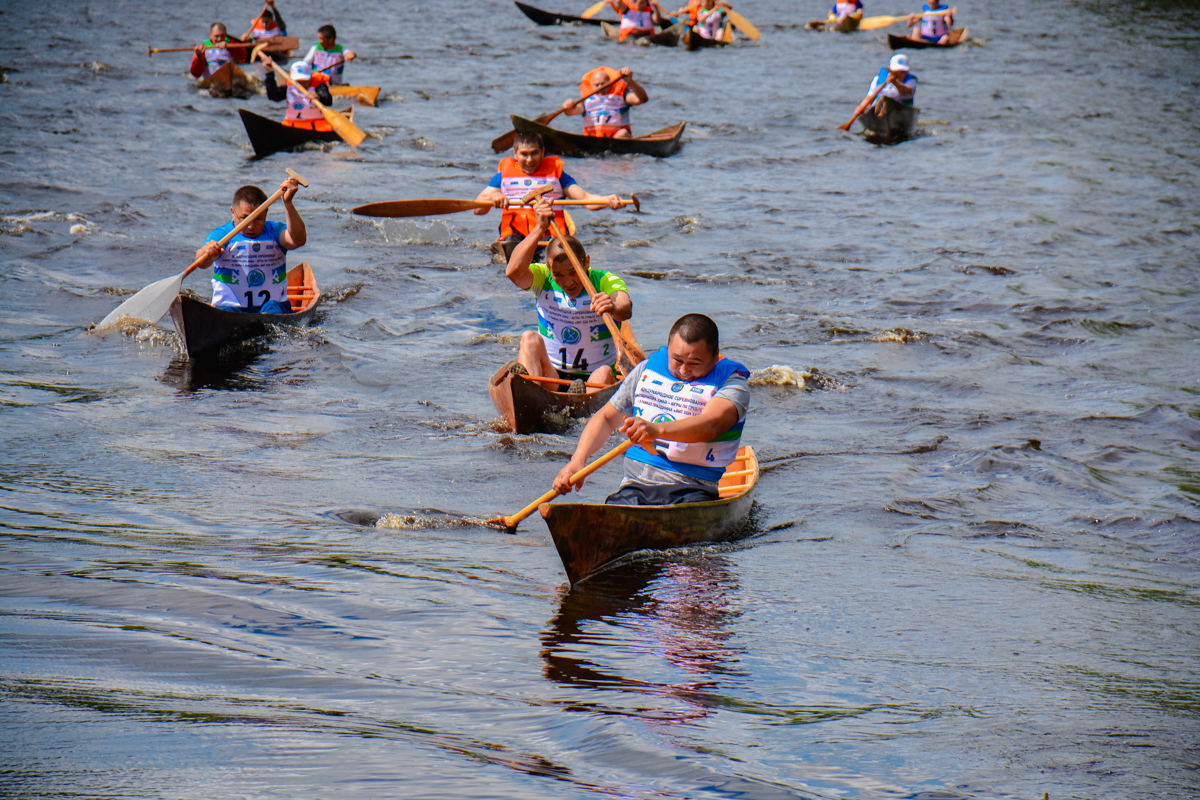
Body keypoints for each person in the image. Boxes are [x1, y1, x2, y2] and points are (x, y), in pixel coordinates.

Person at [552, 313, 750, 505]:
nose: (683, 371)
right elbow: (606, 418)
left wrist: (655, 430)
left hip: (693, 488)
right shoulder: (646, 369)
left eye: (694, 363)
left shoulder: (733, 386)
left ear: (715, 357)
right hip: (636, 485)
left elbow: (711, 426)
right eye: (677, 360)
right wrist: (578, 460)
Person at [505, 197, 633, 392]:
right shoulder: (543, 276)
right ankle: (532, 391)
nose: (568, 282)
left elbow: (625, 308)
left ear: (586, 262)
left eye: (574, 272)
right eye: (559, 275)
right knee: (529, 338)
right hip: (553, 375)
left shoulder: (604, 280)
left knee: (606, 372)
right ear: (549, 268)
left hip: (593, 378)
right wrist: (539, 229)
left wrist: (613, 307)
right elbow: (513, 272)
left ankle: (576, 400)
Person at [474, 131, 623, 252]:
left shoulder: (558, 176)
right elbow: (477, 209)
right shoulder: (502, 176)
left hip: (548, 237)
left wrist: (607, 200)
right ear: (515, 154)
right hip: (515, 238)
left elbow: (586, 199)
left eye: (534, 153)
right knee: (511, 242)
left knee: (550, 245)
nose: (529, 159)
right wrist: (493, 197)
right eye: (524, 154)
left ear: (543, 152)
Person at [193, 176, 307, 314]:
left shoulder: (275, 232)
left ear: (266, 214)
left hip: (272, 309)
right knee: (226, 311)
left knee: (272, 308)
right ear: (233, 212)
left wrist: (287, 202)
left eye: (258, 219)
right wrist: (207, 252)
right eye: (244, 218)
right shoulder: (222, 235)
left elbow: (297, 240)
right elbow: (202, 262)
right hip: (229, 309)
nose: (251, 226)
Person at [562, 67, 648, 139]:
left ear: (610, 83)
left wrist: (630, 82)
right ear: (591, 85)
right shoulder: (586, 101)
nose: (600, 87)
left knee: (622, 133)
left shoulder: (622, 95)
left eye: (603, 84)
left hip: (618, 138)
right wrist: (567, 107)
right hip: (595, 140)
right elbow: (570, 112)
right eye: (597, 85)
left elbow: (642, 99)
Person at [263, 58, 334, 131]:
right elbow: (273, 96)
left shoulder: (319, 86)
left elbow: (328, 100)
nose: (302, 84)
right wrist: (270, 74)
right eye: (298, 81)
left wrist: (318, 96)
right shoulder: (289, 87)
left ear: (310, 77)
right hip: (292, 125)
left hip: (315, 127)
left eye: (304, 81)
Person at [854, 53, 917, 117]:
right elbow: (868, 99)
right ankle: (879, 116)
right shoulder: (877, 79)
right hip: (877, 110)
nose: (901, 74)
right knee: (882, 99)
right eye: (897, 72)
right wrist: (860, 108)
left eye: (903, 72)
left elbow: (906, 90)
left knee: (886, 100)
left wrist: (894, 83)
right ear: (890, 70)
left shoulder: (911, 80)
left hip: (901, 112)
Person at [603, 0, 668, 41]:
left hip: (647, 34)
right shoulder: (627, 10)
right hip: (630, 34)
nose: (643, 5)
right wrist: (611, 2)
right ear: (635, 3)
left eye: (644, 2)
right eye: (641, 3)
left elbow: (657, 19)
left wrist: (656, 7)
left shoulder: (649, 10)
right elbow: (619, 2)